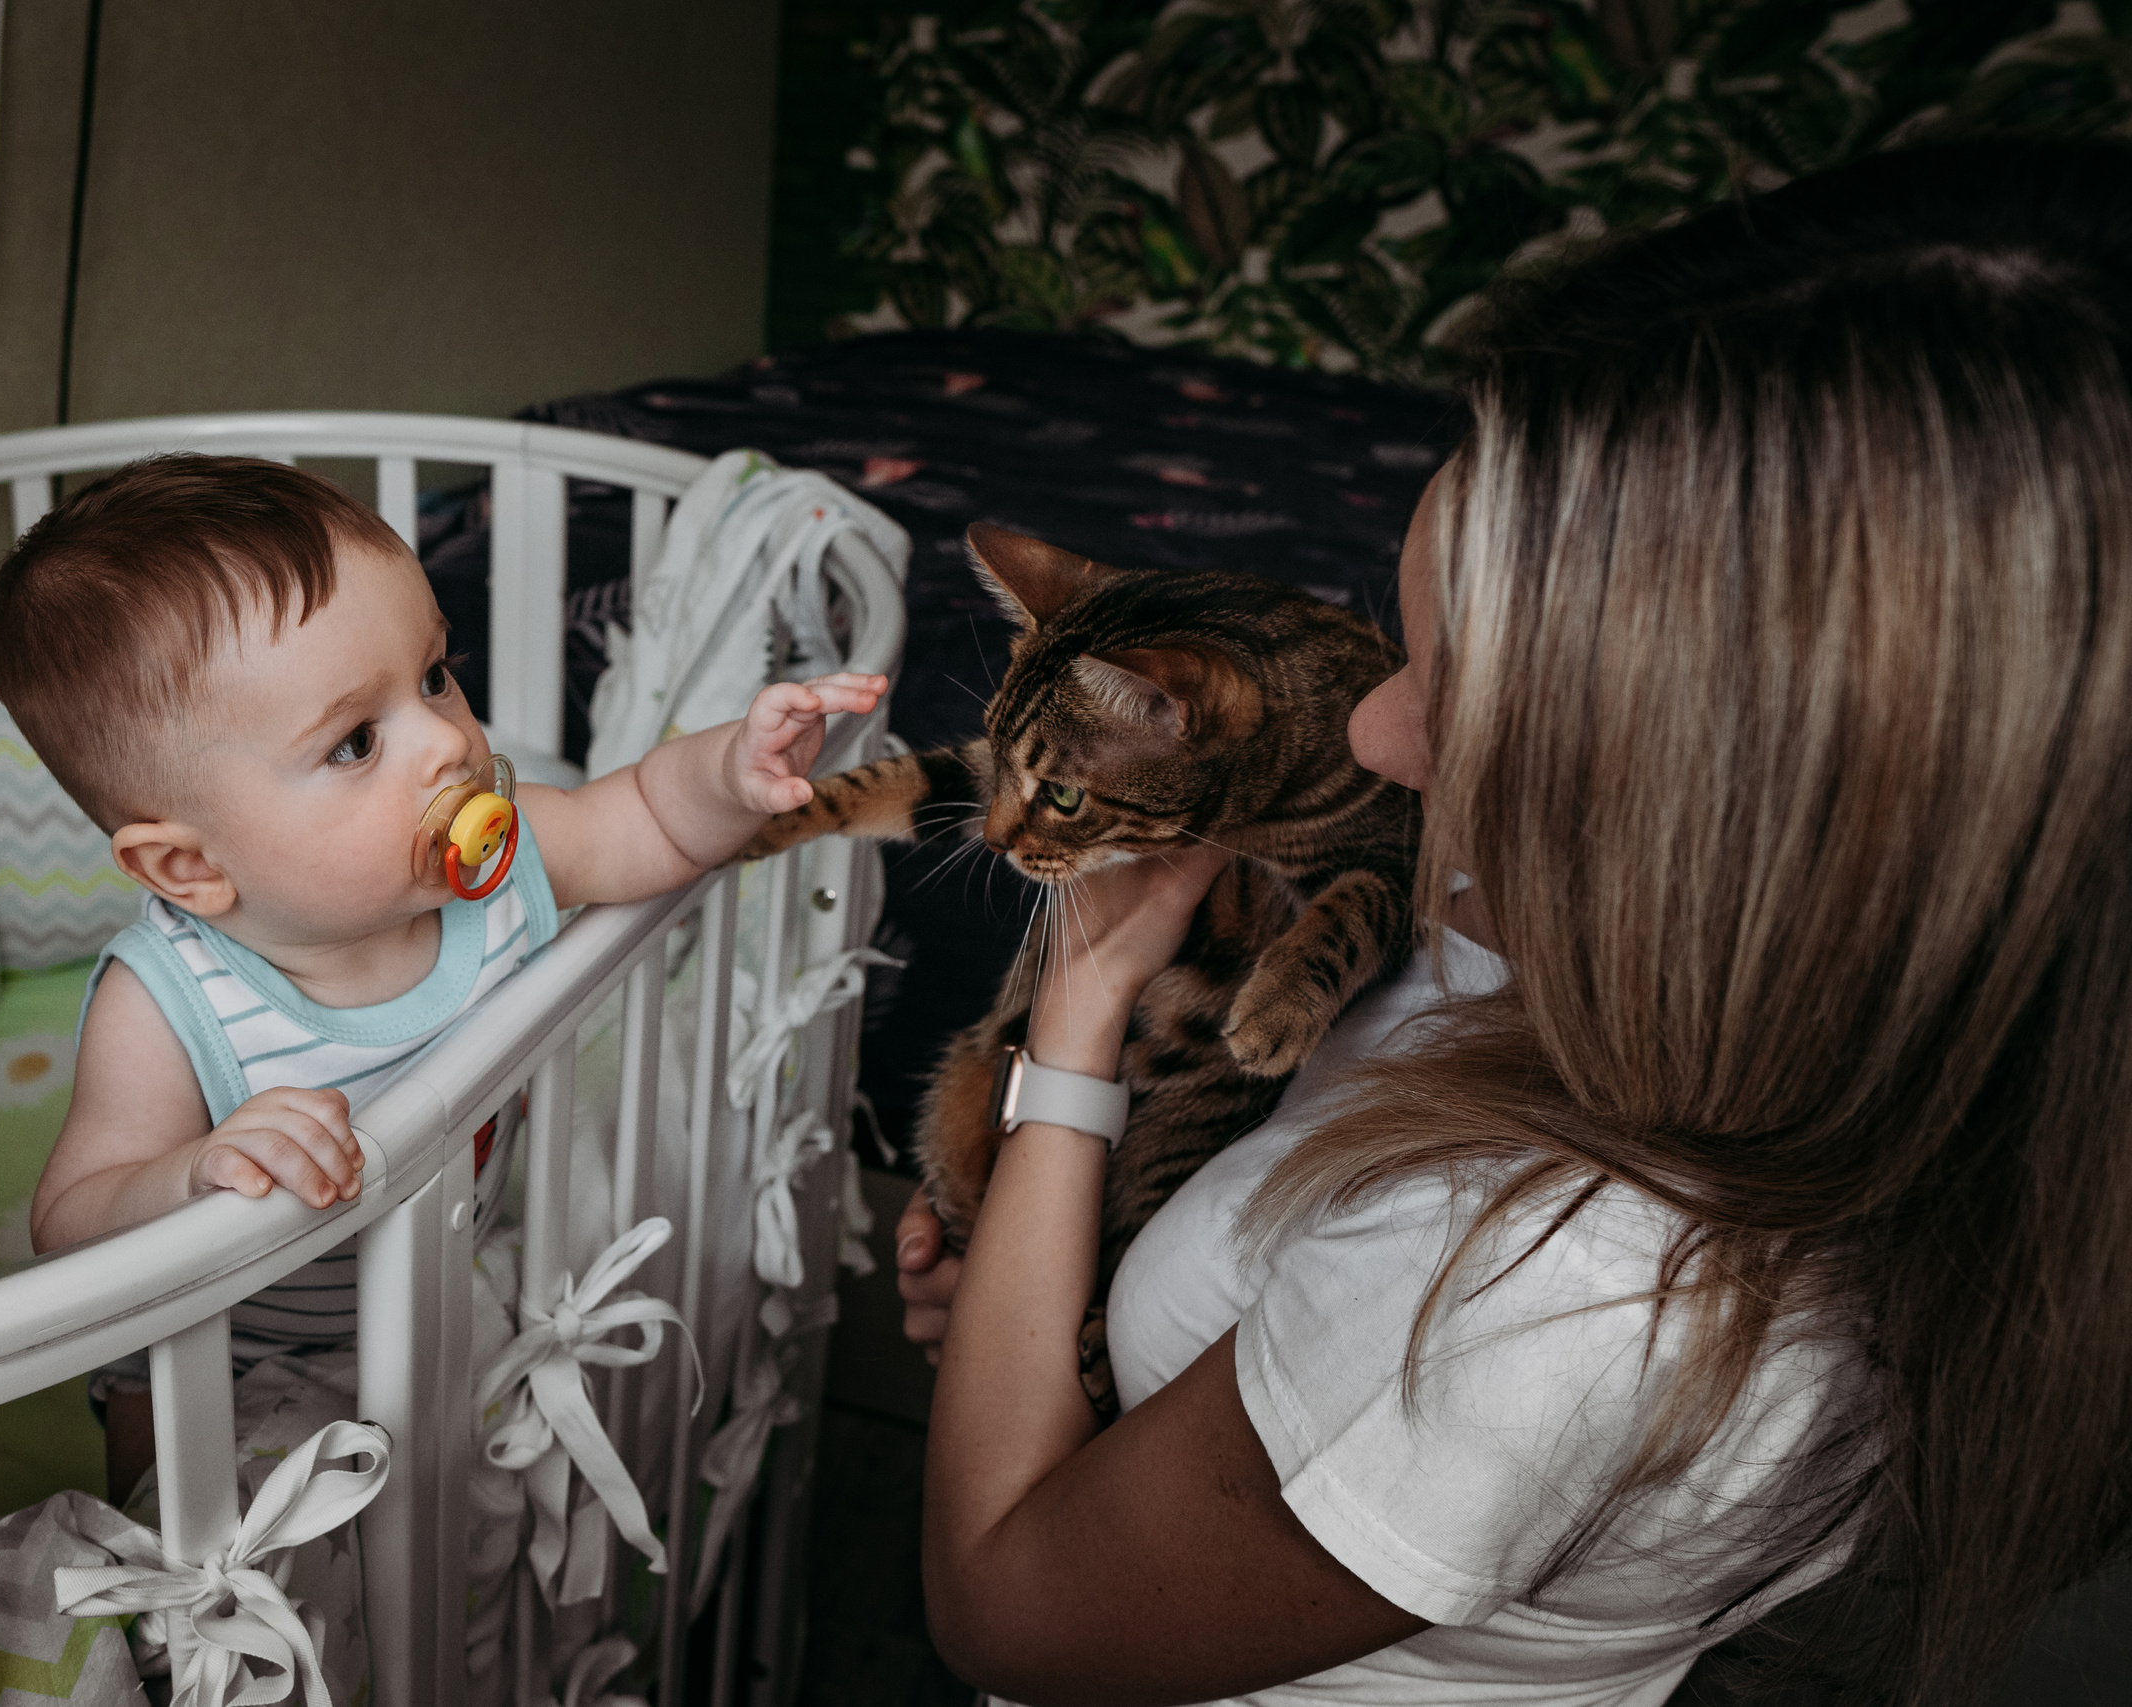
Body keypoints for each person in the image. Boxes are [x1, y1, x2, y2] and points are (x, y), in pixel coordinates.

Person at [890, 136, 2132, 1707]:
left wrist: (1071, 1030)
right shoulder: (1627, 954)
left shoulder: (1560, 1302)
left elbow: (1004, 1601)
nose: (1370, 741)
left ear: (1722, 814)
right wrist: (1033, 1281)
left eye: (1454, 692)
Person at [0, 454, 882, 1492]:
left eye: (434, 676)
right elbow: (71, 1219)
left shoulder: (500, 873)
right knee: (179, 1525)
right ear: (190, 866)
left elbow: (638, 818)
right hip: (213, 1343)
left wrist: (729, 771)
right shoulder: (168, 1001)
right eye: (357, 741)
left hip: (433, 1281)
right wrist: (192, 1175)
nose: (447, 747)